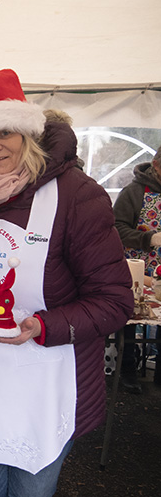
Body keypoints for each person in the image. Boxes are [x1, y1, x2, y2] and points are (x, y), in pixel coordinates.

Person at [0, 68, 134, 497]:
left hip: (45, 379)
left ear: (28, 135)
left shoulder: (76, 195)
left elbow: (113, 301)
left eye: (5, 131)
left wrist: (42, 326)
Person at [113, 145, 161, 390]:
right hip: (136, 270)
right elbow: (116, 228)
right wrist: (148, 239)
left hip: (160, 274)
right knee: (130, 318)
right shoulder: (133, 192)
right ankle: (128, 371)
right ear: (156, 166)